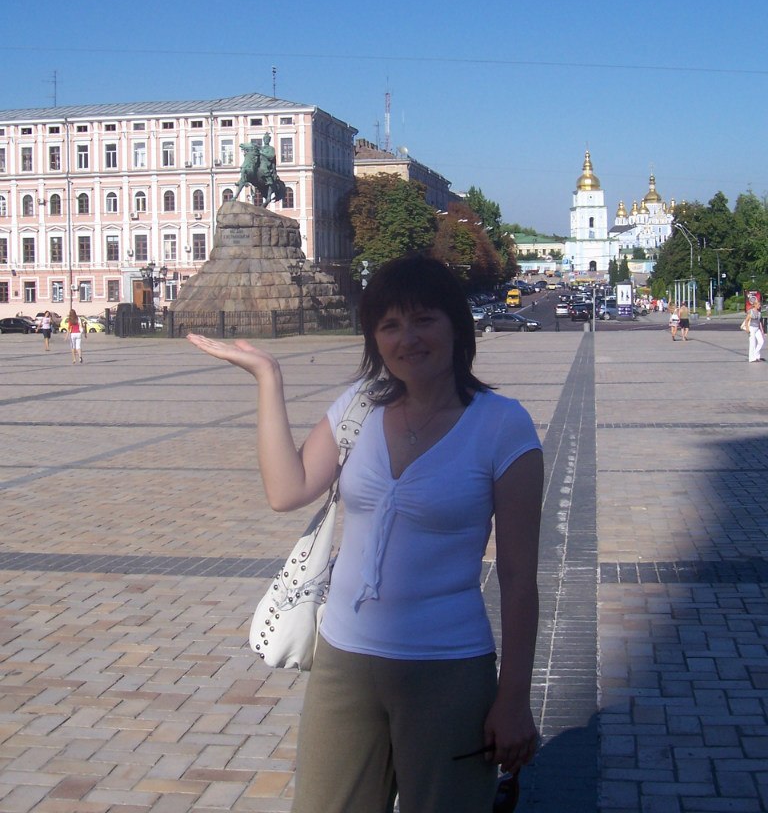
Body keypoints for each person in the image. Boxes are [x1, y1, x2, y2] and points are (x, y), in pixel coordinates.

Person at [187, 254, 544, 813]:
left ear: (457, 325)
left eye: (424, 319)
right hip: (344, 662)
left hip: (448, 667)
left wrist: (514, 697)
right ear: (374, 338)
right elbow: (287, 489)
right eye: (389, 325)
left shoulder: (502, 425)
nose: (408, 338)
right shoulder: (359, 407)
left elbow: (519, 578)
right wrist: (268, 378)